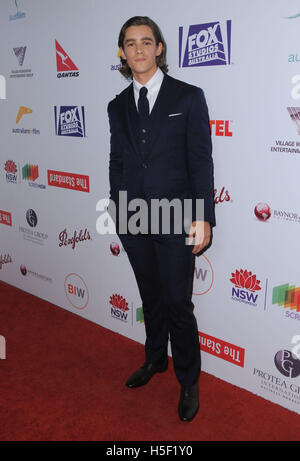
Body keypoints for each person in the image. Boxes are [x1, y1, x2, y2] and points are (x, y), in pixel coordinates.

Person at [107, 16, 215, 422]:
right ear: (123, 52)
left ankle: (188, 379)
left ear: (159, 48)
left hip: (177, 218)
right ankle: (155, 360)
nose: (138, 49)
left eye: (146, 42)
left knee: (177, 303)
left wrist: (203, 216)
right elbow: (117, 160)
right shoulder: (116, 105)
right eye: (130, 43)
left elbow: (200, 162)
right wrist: (118, 208)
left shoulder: (188, 97)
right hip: (133, 218)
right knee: (150, 298)